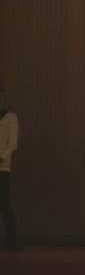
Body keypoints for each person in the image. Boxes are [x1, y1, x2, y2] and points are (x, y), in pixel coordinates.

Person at [0, 88, 19, 250]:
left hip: (2, 167)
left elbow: (12, 144)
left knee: (5, 204)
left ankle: (13, 241)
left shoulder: (10, 117)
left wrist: (1, 157)